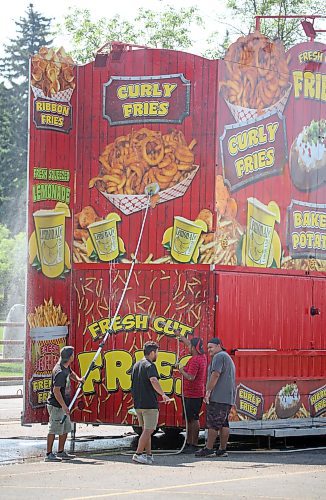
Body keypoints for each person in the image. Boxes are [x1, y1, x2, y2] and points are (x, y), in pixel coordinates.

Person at [131, 340, 171, 465]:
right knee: (149, 430)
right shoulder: (150, 365)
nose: (157, 355)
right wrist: (163, 394)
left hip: (138, 404)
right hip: (149, 404)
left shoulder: (136, 365)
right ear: (152, 352)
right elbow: (153, 380)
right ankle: (137, 454)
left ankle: (148, 455)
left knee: (145, 430)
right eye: (157, 352)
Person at [195, 337, 235, 458]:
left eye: (211, 347)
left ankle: (209, 449)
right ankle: (222, 449)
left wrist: (208, 392)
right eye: (208, 348)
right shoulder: (226, 357)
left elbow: (215, 374)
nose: (209, 350)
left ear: (219, 346)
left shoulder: (219, 357)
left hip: (218, 397)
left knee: (213, 423)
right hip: (227, 397)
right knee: (224, 424)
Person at [45, 346, 84, 462]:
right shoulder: (60, 372)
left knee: (66, 428)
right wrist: (63, 406)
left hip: (64, 404)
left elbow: (71, 373)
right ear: (70, 357)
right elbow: (56, 391)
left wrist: (78, 379)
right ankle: (48, 454)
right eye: (73, 354)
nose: (74, 356)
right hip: (56, 405)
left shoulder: (65, 367)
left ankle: (61, 452)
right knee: (53, 429)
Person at [176, 335, 207, 453]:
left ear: (194, 348)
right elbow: (189, 343)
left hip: (192, 394)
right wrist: (180, 336)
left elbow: (191, 377)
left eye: (190, 347)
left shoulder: (195, 360)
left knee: (193, 419)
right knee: (190, 418)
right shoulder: (202, 357)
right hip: (196, 393)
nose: (188, 347)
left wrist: (182, 370)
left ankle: (193, 444)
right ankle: (189, 442)